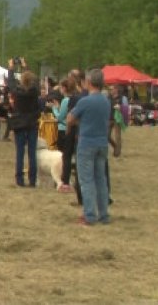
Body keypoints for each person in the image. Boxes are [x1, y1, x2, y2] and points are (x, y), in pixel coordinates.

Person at [66, 69, 111, 226]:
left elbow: (70, 119)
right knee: (101, 179)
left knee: (86, 180)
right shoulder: (106, 101)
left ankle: (90, 214)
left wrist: (80, 121)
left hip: (86, 144)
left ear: (89, 82)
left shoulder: (85, 101)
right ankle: (104, 214)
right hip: (102, 143)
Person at [7, 58, 41, 187]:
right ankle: (32, 179)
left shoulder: (17, 92)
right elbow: (35, 82)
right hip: (32, 122)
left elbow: (10, 82)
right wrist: (25, 66)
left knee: (20, 152)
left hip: (19, 122)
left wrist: (11, 68)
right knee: (32, 153)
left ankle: (20, 179)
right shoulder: (35, 91)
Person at [52, 79, 74, 193]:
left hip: (63, 129)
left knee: (63, 156)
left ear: (64, 88)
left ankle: (63, 178)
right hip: (71, 130)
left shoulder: (66, 100)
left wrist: (55, 108)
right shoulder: (75, 98)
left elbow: (60, 117)